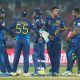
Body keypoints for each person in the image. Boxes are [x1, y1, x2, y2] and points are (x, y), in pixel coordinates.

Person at [8, 11, 40, 76]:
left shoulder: (16, 22)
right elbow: (36, 30)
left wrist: (13, 35)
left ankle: (14, 71)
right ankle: (26, 72)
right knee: (26, 57)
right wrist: (39, 37)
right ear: (26, 16)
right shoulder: (28, 22)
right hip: (26, 41)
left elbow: (9, 29)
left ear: (21, 16)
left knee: (16, 56)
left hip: (18, 40)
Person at [44, 6, 65, 76]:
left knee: (57, 56)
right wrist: (49, 36)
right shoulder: (47, 19)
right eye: (56, 10)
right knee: (51, 56)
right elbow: (42, 30)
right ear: (52, 11)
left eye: (57, 10)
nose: (57, 12)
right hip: (49, 40)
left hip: (57, 39)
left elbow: (63, 29)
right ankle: (53, 70)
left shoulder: (60, 19)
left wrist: (61, 30)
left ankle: (56, 71)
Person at [62, 8, 80, 76]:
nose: (72, 14)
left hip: (77, 39)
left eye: (73, 12)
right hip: (76, 38)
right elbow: (74, 29)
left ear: (77, 12)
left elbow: (78, 31)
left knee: (69, 52)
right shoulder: (75, 20)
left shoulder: (78, 20)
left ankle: (68, 70)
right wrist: (67, 29)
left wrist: (69, 37)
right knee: (78, 55)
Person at [31, 8, 46, 76]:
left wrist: (39, 37)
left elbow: (38, 29)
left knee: (35, 55)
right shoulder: (40, 19)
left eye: (33, 13)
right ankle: (42, 70)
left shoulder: (37, 20)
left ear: (36, 13)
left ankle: (36, 71)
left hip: (39, 39)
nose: (32, 14)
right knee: (41, 55)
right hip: (42, 38)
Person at [0, 8, 12, 76]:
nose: (4, 14)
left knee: (5, 55)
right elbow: (3, 28)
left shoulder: (2, 20)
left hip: (2, 39)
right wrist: (10, 32)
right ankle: (2, 70)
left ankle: (9, 70)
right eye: (3, 13)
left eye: (4, 13)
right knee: (1, 55)